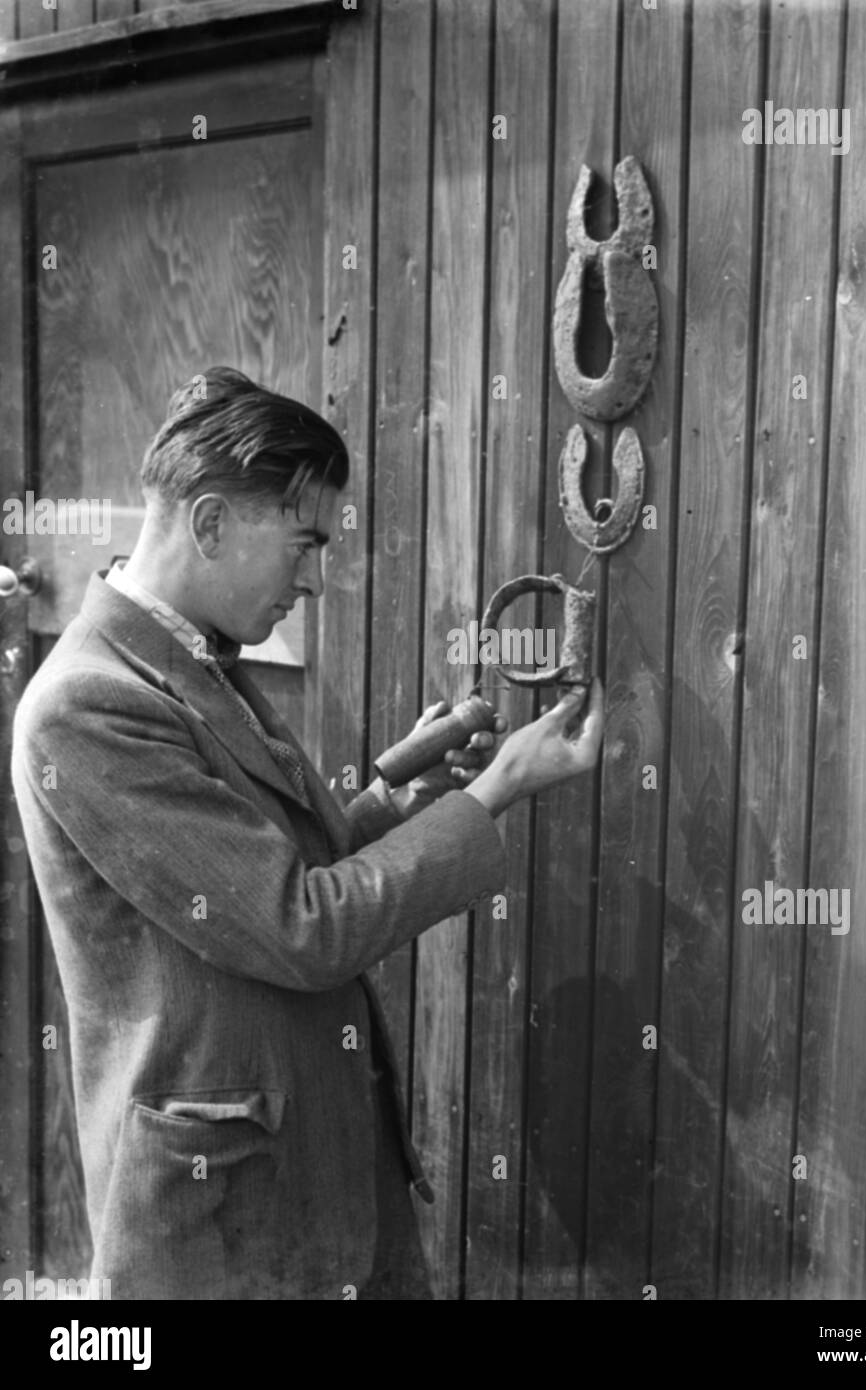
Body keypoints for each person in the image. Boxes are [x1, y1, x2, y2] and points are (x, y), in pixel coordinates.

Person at [10, 367, 604, 1300]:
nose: (317, 580)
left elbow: (265, 880)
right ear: (211, 524)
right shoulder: (88, 705)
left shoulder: (190, 654)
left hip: (300, 1177)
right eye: (305, 545)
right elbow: (300, 926)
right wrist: (499, 788)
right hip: (221, 1225)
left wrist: (397, 796)